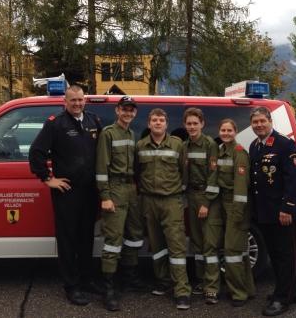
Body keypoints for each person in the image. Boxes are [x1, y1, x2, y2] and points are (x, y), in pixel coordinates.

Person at [29, 85, 102, 306]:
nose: (77, 104)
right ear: (65, 102)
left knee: (86, 238)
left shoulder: (94, 121)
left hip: (90, 191)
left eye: (80, 100)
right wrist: (48, 178)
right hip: (67, 192)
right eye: (73, 100)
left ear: (85, 100)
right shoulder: (56, 124)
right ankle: (71, 286)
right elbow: (36, 153)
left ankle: (87, 280)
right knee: (68, 240)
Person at [248, 106, 296, 316]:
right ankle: (292, 292)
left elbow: (293, 179)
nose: (259, 125)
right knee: (275, 254)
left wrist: (287, 208)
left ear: (270, 121)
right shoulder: (255, 146)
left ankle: (282, 299)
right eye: (255, 122)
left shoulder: (284, 144)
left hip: (283, 212)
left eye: (262, 121)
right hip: (266, 212)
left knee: (286, 255)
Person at [135, 108, 192, 310]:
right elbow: (138, 173)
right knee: (156, 245)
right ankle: (163, 281)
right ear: (149, 124)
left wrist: (178, 195)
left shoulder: (177, 145)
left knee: (176, 245)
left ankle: (182, 290)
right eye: (154, 120)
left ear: (166, 124)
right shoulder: (140, 145)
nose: (158, 123)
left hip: (171, 201)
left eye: (161, 120)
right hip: (149, 201)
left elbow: (185, 173)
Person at [96, 95, 146, 311]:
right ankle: (108, 288)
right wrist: (105, 196)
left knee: (134, 235)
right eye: (124, 109)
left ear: (135, 113)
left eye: (131, 110)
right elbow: (101, 168)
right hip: (115, 189)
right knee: (113, 240)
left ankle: (129, 277)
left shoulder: (131, 134)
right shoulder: (108, 133)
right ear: (117, 111)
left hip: (131, 189)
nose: (128, 113)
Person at [180, 108, 221, 305]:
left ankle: (212, 287)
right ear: (185, 125)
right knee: (196, 242)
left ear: (202, 124)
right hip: (191, 196)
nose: (192, 127)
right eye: (189, 123)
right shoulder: (184, 146)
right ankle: (200, 279)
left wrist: (206, 202)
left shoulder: (210, 144)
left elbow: (214, 175)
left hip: (207, 198)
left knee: (209, 243)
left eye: (195, 123)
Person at [215, 118, 256, 307]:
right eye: (223, 130)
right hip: (224, 203)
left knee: (231, 250)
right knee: (241, 251)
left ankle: (238, 294)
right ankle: (248, 289)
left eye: (229, 130)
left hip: (235, 205)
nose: (226, 133)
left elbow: (241, 187)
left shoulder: (239, 153)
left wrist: (238, 213)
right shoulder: (221, 150)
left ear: (235, 131)